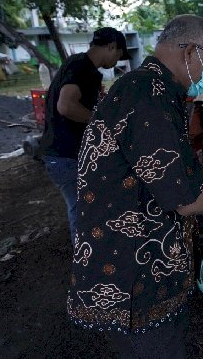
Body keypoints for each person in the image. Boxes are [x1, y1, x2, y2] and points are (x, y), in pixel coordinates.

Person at [67, 15, 203, 358]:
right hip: (131, 275)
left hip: (136, 262)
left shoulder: (151, 89)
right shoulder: (148, 96)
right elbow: (188, 200)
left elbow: (165, 175)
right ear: (189, 52)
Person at [41, 27, 130, 245]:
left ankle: (95, 254)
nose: (117, 61)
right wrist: (101, 123)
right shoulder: (83, 67)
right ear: (110, 47)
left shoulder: (80, 65)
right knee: (82, 211)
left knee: (89, 206)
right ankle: (87, 265)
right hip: (65, 155)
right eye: (119, 55)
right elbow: (66, 105)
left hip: (65, 153)